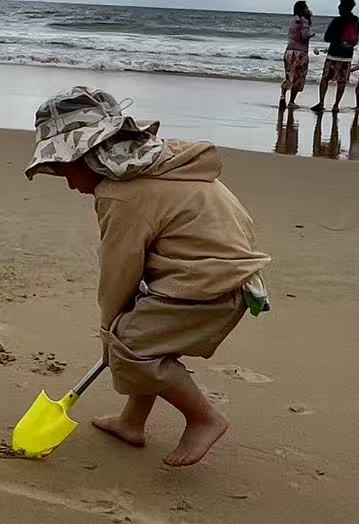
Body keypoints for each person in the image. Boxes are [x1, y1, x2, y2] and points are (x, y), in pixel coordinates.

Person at [25, 87, 270, 468]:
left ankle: (204, 418)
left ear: (91, 155)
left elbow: (119, 268)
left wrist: (110, 330)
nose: (69, 183)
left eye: (63, 168)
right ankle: (131, 422)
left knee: (132, 347)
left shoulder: (121, 194)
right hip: (226, 274)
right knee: (146, 336)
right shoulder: (162, 160)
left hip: (208, 283)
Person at [311, 0, 359, 114]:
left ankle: (321, 103)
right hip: (347, 55)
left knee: (325, 78)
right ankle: (336, 105)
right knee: (342, 81)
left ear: (343, 7)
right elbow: (355, 38)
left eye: (340, 5)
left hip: (333, 54)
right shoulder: (355, 20)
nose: (338, 7)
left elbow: (327, 37)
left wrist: (336, 40)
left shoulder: (337, 21)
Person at [281, 0, 312, 104]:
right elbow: (304, 36)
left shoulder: (293, 20)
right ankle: (291, 102)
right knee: (298, 78)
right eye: (306, 8)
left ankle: (282, 96)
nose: (308, 9)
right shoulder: (304, 20)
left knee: (289, 76)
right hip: (300, 52)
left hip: (289, 51)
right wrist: (312, 34)